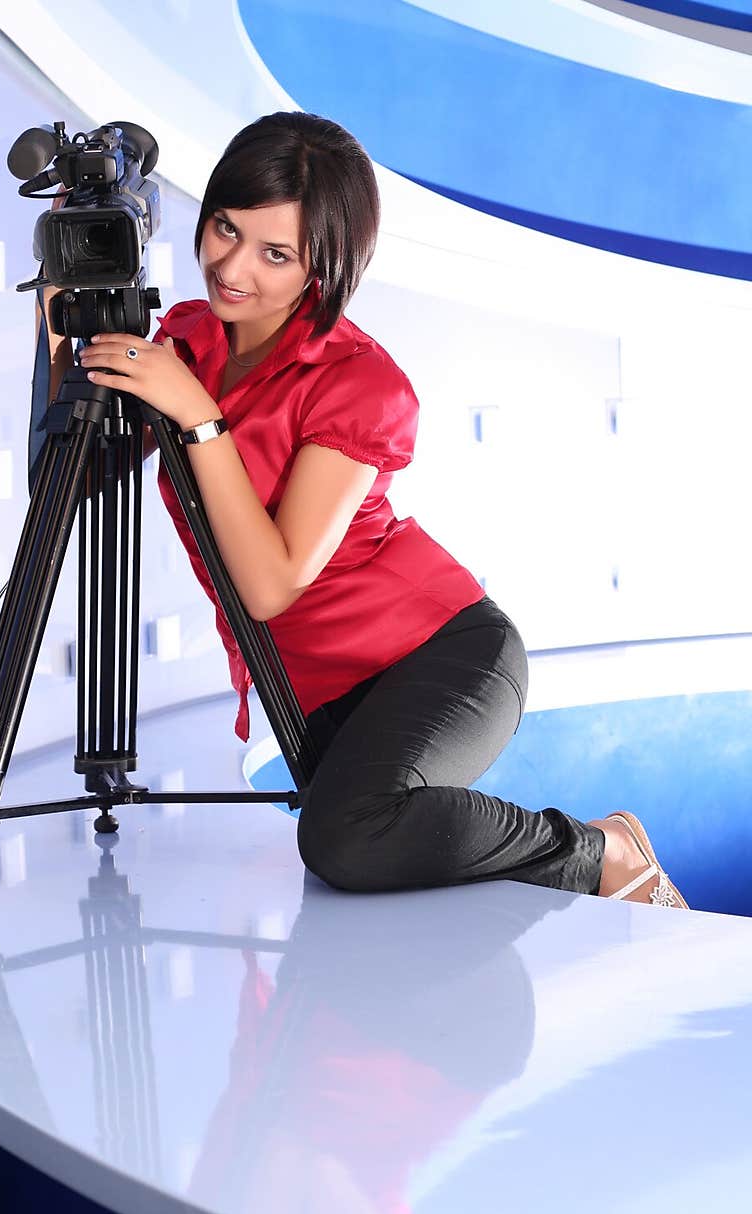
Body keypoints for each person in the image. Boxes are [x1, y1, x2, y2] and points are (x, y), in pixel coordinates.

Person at [53, 111, 688, 909]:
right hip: (320, 689)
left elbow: (272, 586)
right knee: (359, 832)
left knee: (343, 840)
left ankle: (597, 851)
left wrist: (200, 418)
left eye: (275, 253)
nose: (232, 267)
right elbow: (70, 484)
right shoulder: (188, 340)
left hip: (440, 657)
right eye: (224, 227)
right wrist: (57, 330)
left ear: (326, 264)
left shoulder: (361, 385)